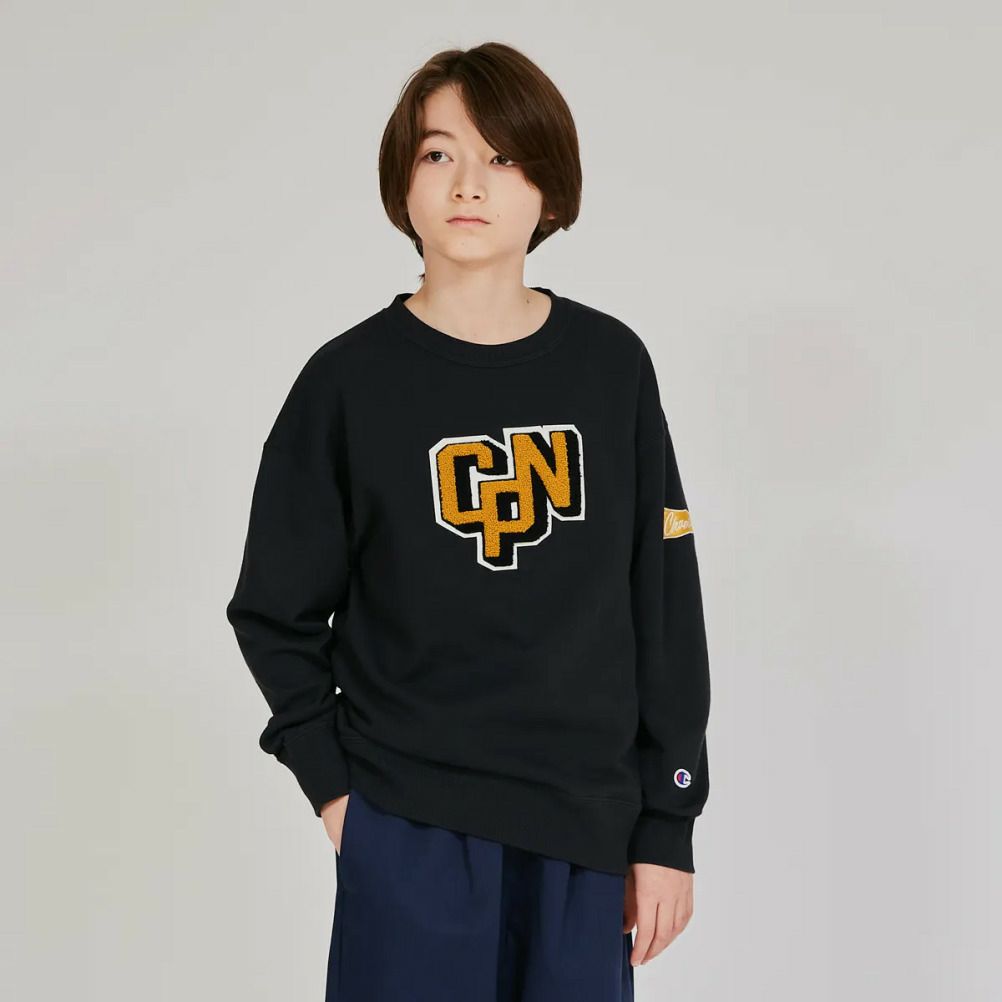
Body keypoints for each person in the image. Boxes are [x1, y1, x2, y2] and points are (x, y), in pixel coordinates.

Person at [225, 41, 711, 1002]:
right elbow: (274, 611)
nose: (469, 184)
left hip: (586, 828)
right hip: (411, 819)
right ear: (402, 182)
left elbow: (662, 603)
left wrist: (669, 822)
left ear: (549, 189)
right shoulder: (347, 383)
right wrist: (338, 795)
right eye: (439, 153)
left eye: (503, 157)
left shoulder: (611, 367)